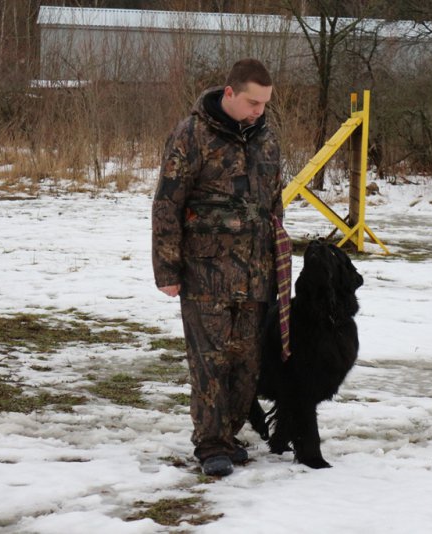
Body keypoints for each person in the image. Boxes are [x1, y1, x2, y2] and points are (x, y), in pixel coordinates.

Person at [151, 58, 283, 477]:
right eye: (251, 102)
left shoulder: (266, 140)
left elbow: (274, 206)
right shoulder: (191, 134)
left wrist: (278, 263)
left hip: (255, 274)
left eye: (264, 103)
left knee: (247, 363)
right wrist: (167, 270)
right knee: (210, 361)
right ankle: (209, 445)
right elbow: (167, 203)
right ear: (229, 93)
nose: (258, 111)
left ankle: (228, 434)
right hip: (206, 272)